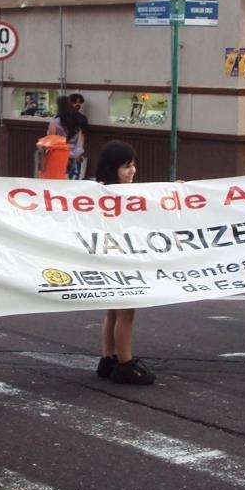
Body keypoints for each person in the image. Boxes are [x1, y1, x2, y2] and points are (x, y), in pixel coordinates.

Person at [93, 140, 155, 385]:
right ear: (113, 168)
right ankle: (125, 363)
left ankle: (108, 358)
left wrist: (177, 191)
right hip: (120, 260)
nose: (132, 171)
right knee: (126, 313)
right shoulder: (108, 193)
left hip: (109, 258)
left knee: (113, 312)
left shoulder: (101, 191)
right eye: (126, 166)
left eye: (133, 165)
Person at [47, 95, 86, 179]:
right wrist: (79, 154)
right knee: (71, 180)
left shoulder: (55, 122)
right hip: (74, 155)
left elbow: (51, 141)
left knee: (59, 180)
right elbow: (80, 140)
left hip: (59, 155)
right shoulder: (77, 121)